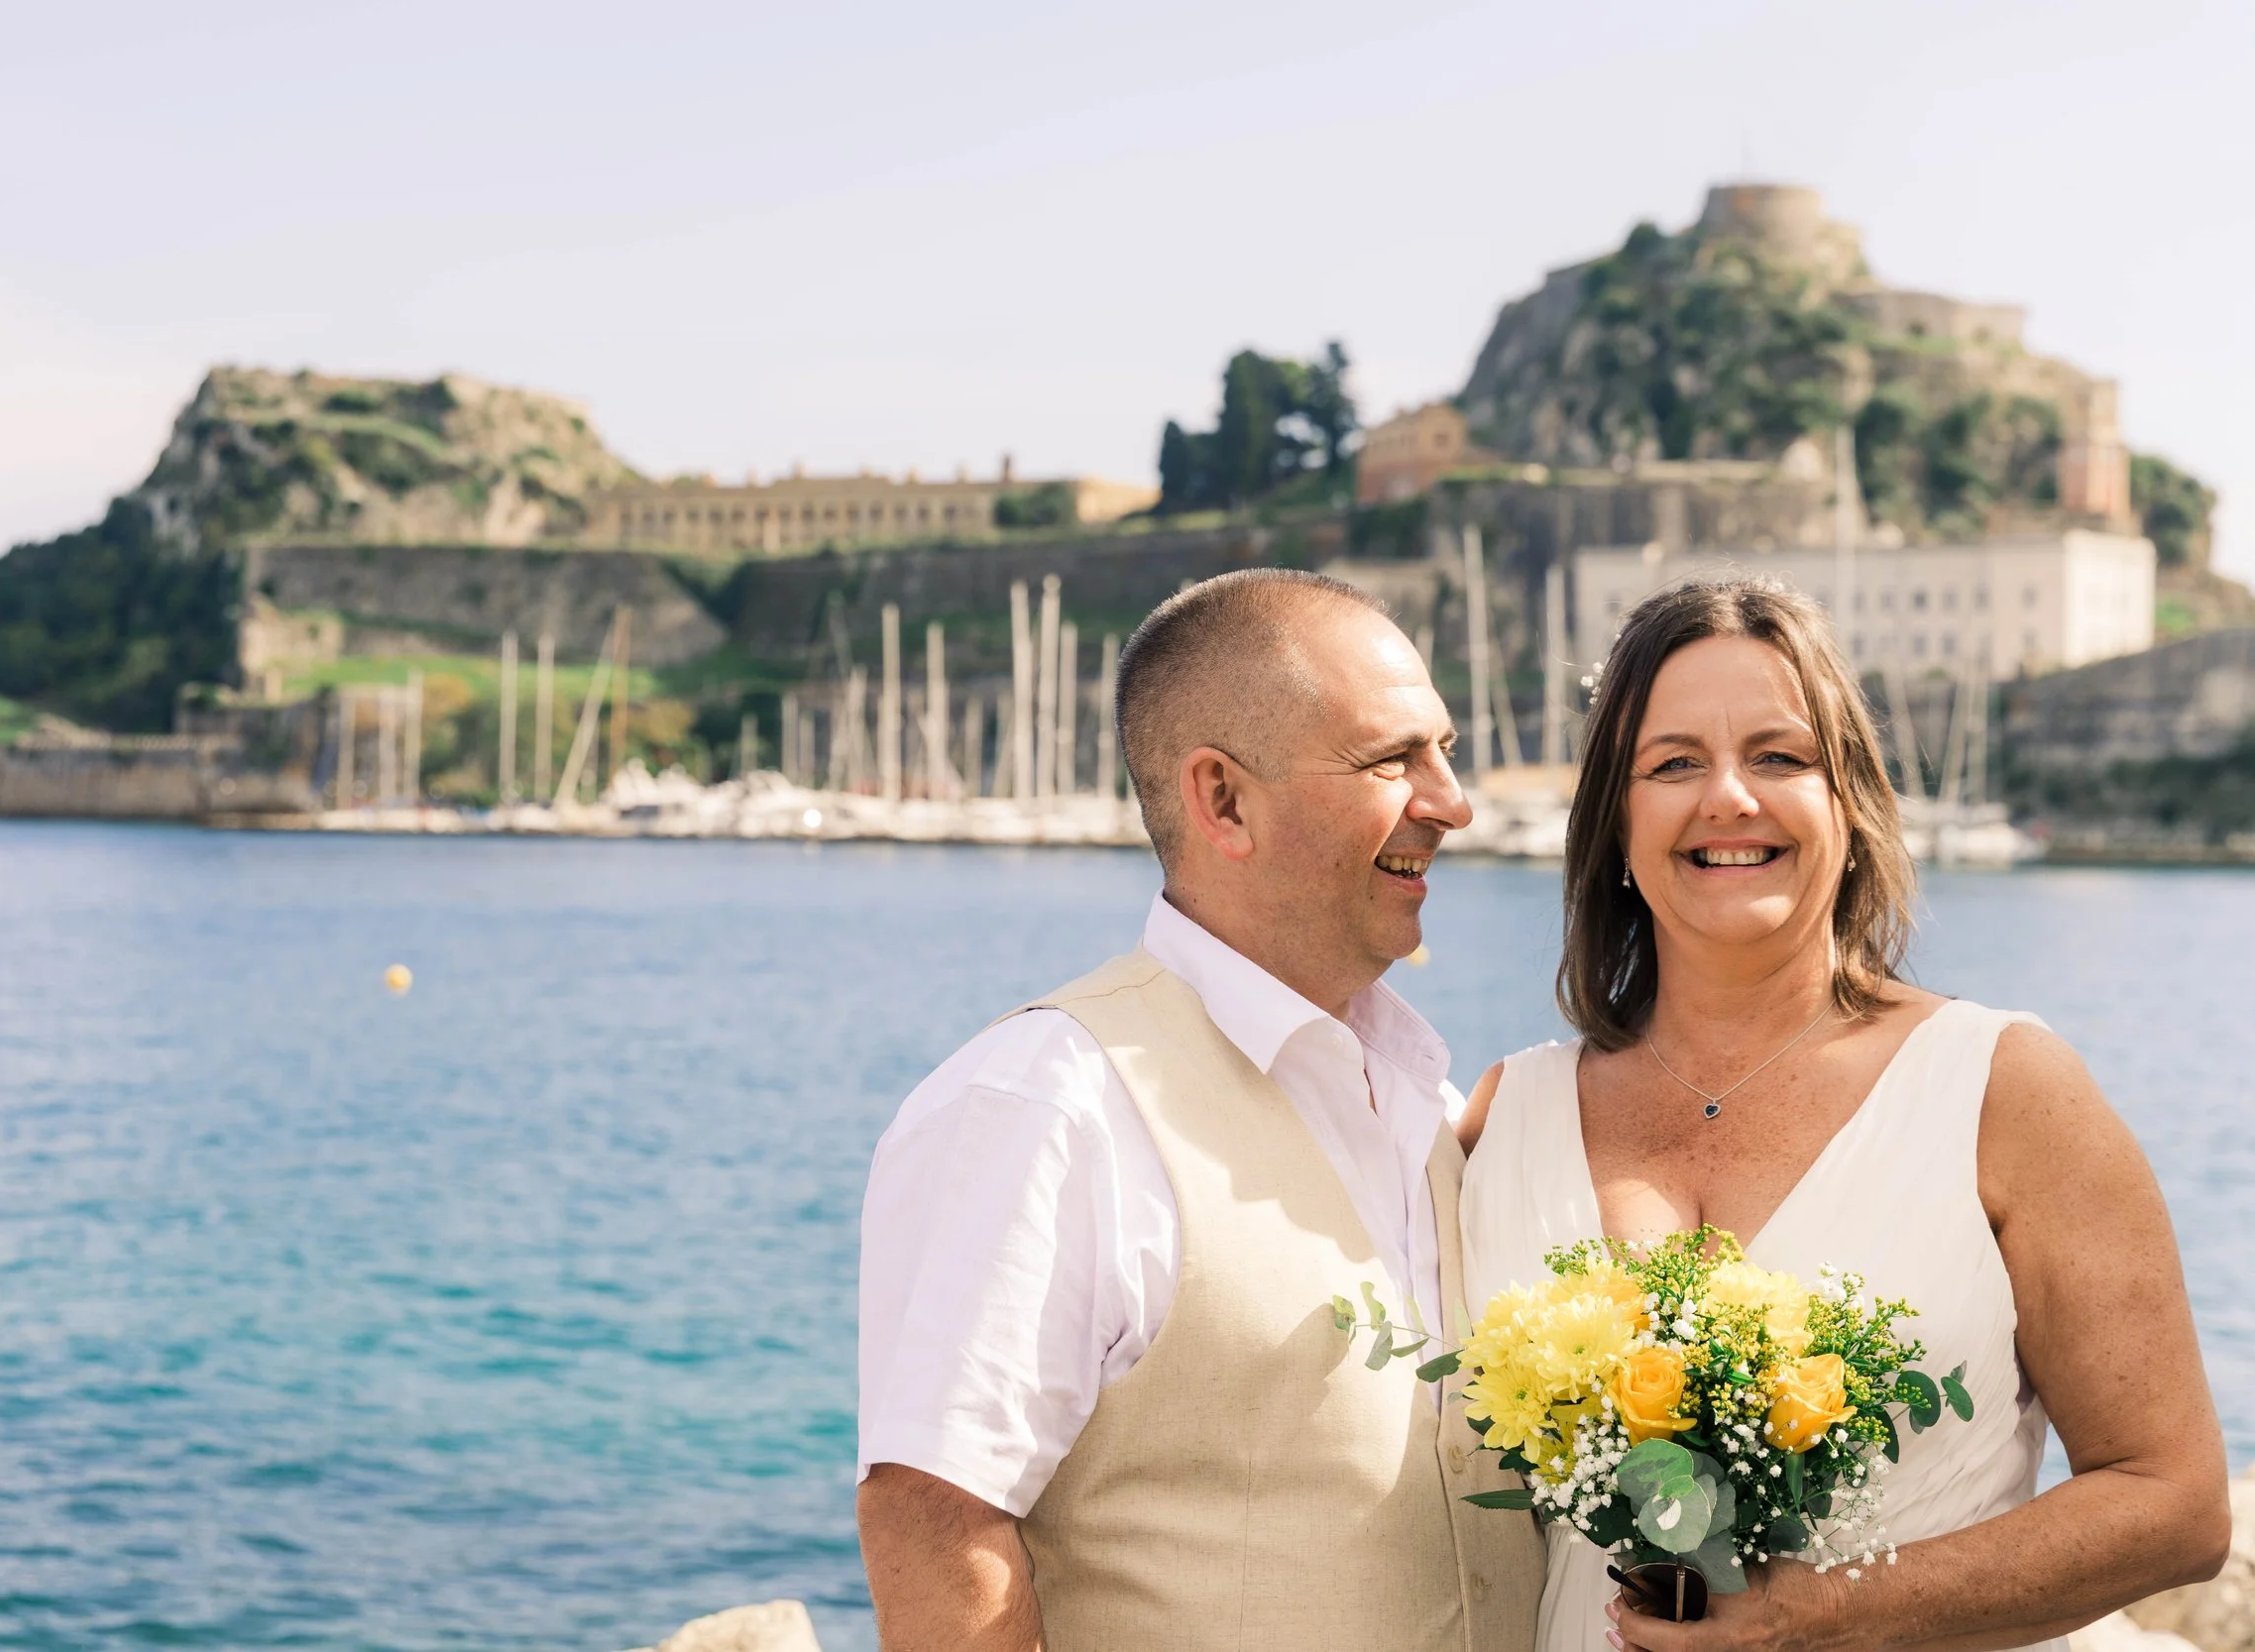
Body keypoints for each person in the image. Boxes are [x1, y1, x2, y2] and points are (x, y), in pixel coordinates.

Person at [1457, 577, 2230, 1652]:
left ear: (1851, 805)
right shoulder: (1499, 1115)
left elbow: (2176, 1504)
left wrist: (1817, 1612)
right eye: (1673, 762)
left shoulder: (2004, 1087)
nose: (1728, 796)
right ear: (1613, 825)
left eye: (1778, 756)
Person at [856, 569, 1546, 1651]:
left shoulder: (1429, 1102)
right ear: (1222, 798)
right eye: (1391, 759)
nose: (1451, 800)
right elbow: (934, 1516)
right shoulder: (1046, 1103)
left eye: (1444, 749)